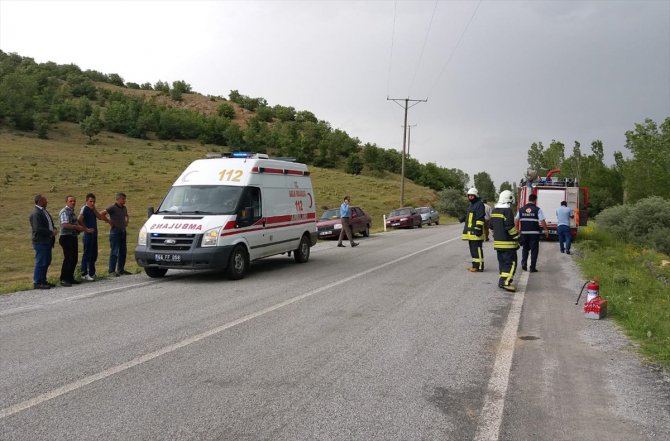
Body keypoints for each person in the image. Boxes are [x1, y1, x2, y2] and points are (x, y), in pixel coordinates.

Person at [58, 195, 93, 287]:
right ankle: (64, 279)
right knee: (68, 258)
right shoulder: (64, 212)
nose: (73, 203)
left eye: (74, 201)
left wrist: (84, 229)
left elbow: (76, 224)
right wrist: (77, 227)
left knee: (74, 258)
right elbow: (65, 225)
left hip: (72, 237)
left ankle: (70, 277)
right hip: (66, 237)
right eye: (71, 201)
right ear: (66, 202)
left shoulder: (72, 212)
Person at [491, 190, 520, 292]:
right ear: (509, 199)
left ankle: (502, 280)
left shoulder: (494, 211)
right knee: (511, 263)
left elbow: (491, 226)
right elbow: (510, 227)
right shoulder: (507, 211)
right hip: (508, 244)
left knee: (502, 263)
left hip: (498, 244)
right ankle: (505, 282)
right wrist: (517, 236)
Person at [515, 193, 549, 272]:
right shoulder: (537, 209)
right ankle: (532, 267)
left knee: (525, 249)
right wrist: (546, 230)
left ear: (529, 200)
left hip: (524, 233)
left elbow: (516, 220)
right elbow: (542, 221)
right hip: (534, 234)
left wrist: (517, 229)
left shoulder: (521, 209)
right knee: (534, 250)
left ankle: (524, 264)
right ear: (535, 200)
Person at [78, 193, 109, 281]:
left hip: (94, 235)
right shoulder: (85, 208)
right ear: (86, 201)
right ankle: (84, 273)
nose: (92, 203)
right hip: (88, 235)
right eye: (90, 201)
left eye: (94, 201)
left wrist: (94, 209)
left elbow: (99, 217)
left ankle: (92, 272)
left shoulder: (92, 209)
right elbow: (79, 219)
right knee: (87, 254)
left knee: (93, 254)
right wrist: (86, 229)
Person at [29, 194, 58, 289]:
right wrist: (51, 232)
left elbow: (48, 223)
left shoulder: (43, 211)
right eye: (45, 200)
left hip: (47, 240)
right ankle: (37, 282)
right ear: (40, 201)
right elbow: (38, 228)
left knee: (46, 261)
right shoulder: (36, 213)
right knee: (41, 261)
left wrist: (53, 228)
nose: (47, 202)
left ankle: (43, 280)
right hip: (40, 241)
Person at [100, 192, 131, 276]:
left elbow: (126, 215)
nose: (124, 201)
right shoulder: (112, 207)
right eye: (123, 199)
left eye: (125, 199)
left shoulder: (124, 208)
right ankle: (111, 271)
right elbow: (102, 214)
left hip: (122, 231)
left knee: (123, 251)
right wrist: (108, 221)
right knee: (114, 251)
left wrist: (126, 221)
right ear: (118, 199)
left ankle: (121, 269)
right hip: (115, 232)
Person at [461, 187, 486, 272]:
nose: (470, 197)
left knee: (477, 250)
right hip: (470, 233)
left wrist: (478, 229)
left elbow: (480, 217)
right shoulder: (472, 205)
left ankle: (480, 267)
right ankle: (475, 266)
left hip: (476, 232)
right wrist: (463, 218)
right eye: (469, 196)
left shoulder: (479, 204)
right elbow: (471, 216)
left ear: (476, 196)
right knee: (473, 250)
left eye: (472, 196)